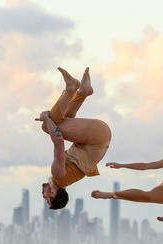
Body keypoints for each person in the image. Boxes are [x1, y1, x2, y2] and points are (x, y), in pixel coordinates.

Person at [36, 67, 111, 209]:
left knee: (62, 120)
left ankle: (83, 92)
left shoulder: (66, 179)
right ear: (53, 193)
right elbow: (58, 141)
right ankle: (71, 88)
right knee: (47, 126)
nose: (43, 197)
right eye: (47, 200)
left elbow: (66, 128)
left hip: (99, 137)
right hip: (96, 136)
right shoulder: (58, 174)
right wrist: (46, 118)